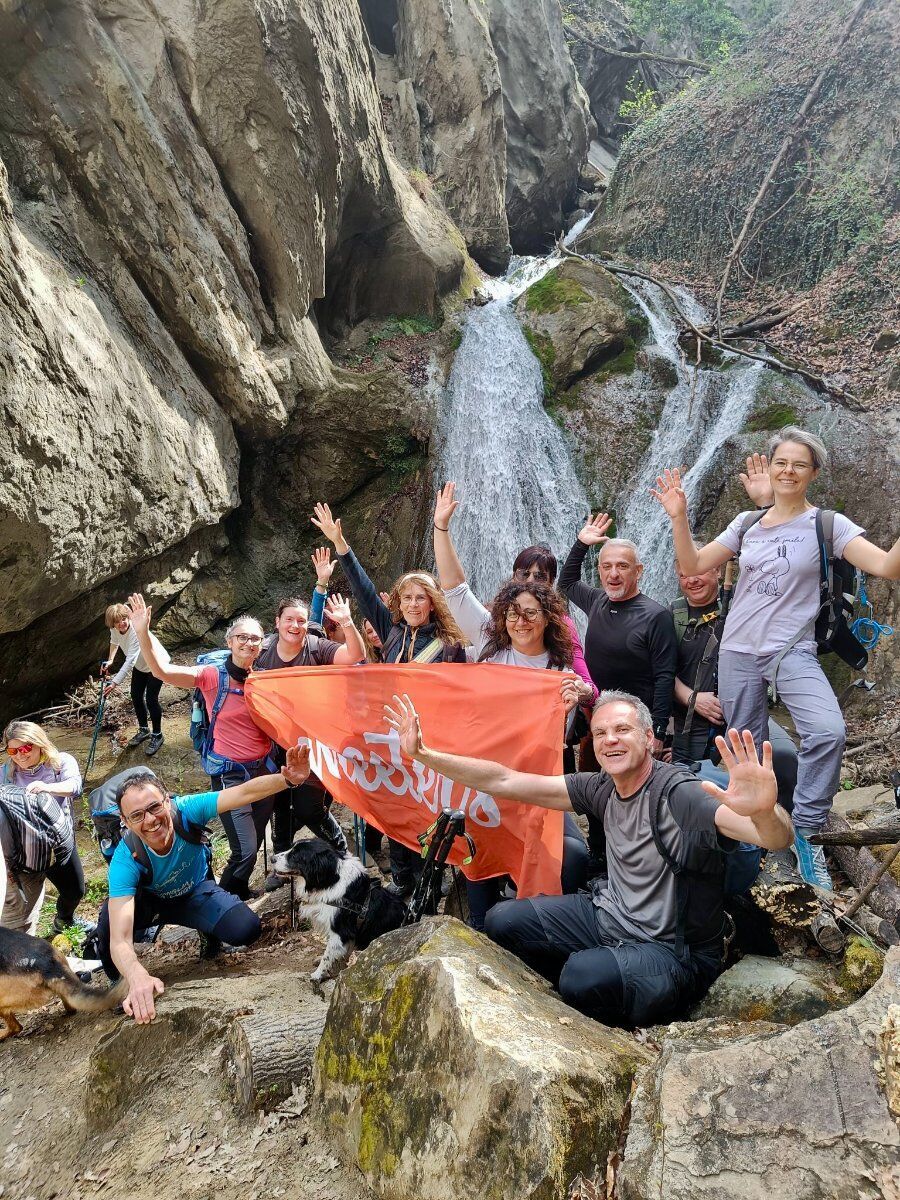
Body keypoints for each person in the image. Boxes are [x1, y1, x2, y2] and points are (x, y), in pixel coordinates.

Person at [384, 690, 793, 1027]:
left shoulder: (678, 794)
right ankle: (591, 986)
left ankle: (618, 1015)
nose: (610, 740)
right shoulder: (601, 787)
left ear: (649, 739)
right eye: (600, 734)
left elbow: (771, 838)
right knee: (501, 920)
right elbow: (504, 780)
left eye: (622, 730)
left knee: (578, 977)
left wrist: (762, 810)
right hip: (608, 914)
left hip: (671, 950)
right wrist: (425, 754)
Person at [652, 426, 900, 888]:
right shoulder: (747, 523)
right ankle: (757, 845)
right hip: (739, 651)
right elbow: (692, 565)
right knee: (747, 753)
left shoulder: (829, 524)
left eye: (799, 464)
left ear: (813, 473)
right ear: (772, 466)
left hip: (792, 649)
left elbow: (887, 566)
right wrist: (678, 517)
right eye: (781, 462)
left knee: (827, 731)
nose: (788, 471)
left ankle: (806, 829)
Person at [311, 501, 467, 897]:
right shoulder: (391, 630)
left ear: (432, 602)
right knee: (398, 810)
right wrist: (340, 542)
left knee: (428, 810)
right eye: (407, 598)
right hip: (390, 742)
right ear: (398, 603)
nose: (413, 604)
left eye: (421, 598)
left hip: (431, 743)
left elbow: (461, 698)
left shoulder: (449, 645)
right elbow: (362, 588)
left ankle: (432, 882)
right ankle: (402, 882)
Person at [97, 745, 310, 1024]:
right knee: (108, 925)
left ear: (168, 801)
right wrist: (137, 976)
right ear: (125, 821)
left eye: (154, 807)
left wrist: (288, 779)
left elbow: (242, 793)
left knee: (246, 928)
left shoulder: (187, 811)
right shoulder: (125, 858)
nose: (149, 820)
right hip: (148, 904)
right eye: (137, 815)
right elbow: (120, 940)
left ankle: (208, 934)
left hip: (193, 893)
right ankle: (120, 982)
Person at [126, 595, 275, 900]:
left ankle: (240, 890)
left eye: (256, 639)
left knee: (255, 839)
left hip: (264, 770)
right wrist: (142, 632)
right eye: (242, 637)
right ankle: (224, 901)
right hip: (230, 773)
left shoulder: (265, 676)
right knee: (245, 850)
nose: (249, 643)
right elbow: (163, 672)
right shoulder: (211, 677)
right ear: (229, 641)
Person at [433, 482, 598, 700]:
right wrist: (441, 528)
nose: (520, 622)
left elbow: (587, 690)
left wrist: (584, 693)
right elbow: (455, 589)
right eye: (513, 614)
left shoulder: (562, 673)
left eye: (530, 613)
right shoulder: (489, 638)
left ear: (548, 617)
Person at [254, 593, 364, 888]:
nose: (295, 625)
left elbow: (354, 655)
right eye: (289, 619)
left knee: (309, 808)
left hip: (314, 746)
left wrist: (347, 622)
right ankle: (281, 863)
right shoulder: (261, 652)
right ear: (277, 622)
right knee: (279, 806)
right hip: (273, 746)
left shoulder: (317, 648)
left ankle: (340, 852)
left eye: (301, 620)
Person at [670, 561, 799, 812]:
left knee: (783, 757)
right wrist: (692, 698)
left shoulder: (743, 608)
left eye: (700, 571)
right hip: (689, 719)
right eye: (685, 575)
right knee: (696, 785)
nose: (692, 580)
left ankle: (788, 832)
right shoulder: (670, 616)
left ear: (717, 571)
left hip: (744, 711)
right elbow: (661, 673)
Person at [559, 521, 677, 753]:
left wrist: (659, 732)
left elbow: (665, 678)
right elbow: (567, 582)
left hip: (634, 723)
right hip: (595, 715)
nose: (613, 574)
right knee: (596, 783)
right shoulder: (596, 600)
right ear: (600, 570)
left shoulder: (656, 616)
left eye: (622, 566)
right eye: (607, 566)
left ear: (638, 570)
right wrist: (582, 543)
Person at [0, 781, 85, 935]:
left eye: (25, 753)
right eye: (14, 753)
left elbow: (76, 786)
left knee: (74, 892)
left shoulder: (62, 763)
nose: (21, 756)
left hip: (54, 843)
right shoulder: (6, 771)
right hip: (26, 854)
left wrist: (48, 787)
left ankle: (63, 920)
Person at [103, 603, 164, 755]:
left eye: (124, 619)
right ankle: (144, 730)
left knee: (151, 699)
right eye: (117, 622)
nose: (122, 623)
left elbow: (130, 659)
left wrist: (115, 681)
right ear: (113, 624)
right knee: (136, 696)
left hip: (156, 664)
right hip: (141, 665)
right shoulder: (115, 629)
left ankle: (157, 735)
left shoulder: (135, 633)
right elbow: (114, 641)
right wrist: (110, 659)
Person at [1, 721, 83, 815]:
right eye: (12, 751)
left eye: (25, 749)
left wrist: (46, 788)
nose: (19, 755)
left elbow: (75, 787)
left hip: (57, 827)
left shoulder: (61, 761)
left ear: (40, 744)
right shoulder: (3, 773)